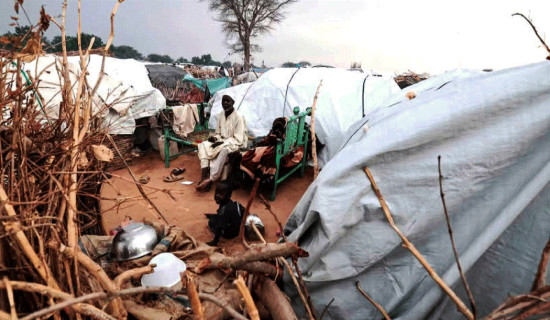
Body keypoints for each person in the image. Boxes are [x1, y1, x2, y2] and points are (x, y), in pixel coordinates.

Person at [196, 94, 247, 192]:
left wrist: (221, 143)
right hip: (222, 141)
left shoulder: (238, 117)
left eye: (228, 101)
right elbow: (218, 133)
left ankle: (211, 179)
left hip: (234, 144)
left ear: (233, 103)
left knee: (224, 150)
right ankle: (203, 175)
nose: (225, 103)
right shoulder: (221, 115)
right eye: (223, 101)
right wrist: (215, 139)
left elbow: (238, 139)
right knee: (203, 145)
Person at [205, 181, 244, 246]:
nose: (217, 196)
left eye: (221, 194)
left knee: (211, 222)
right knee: (219, 217)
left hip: (229, 234)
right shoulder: (231, 203)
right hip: (237, 230)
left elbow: (219, 227)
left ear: (229, 195)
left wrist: (214, 242)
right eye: (216, 192)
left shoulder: (224, 210)